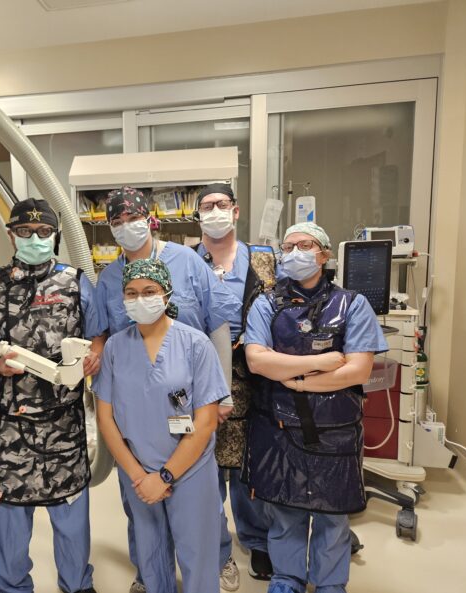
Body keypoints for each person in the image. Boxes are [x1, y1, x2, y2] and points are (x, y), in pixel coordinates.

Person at [94, 186, 241, 592]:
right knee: (143, 515)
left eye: (133, 218)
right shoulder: (109, 280)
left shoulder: (187, 262)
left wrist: (222, 392)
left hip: (193, 398)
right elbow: (103, 338)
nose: (126, 227)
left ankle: (218, 559)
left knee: (201, 514)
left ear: (151, 218)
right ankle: (148, 575)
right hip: (138, 416)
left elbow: (217, 322)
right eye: (117, 221)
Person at [0, 198, 103, 593]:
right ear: (12, 235)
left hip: (64, 426)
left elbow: (98, 334)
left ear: (55, 236)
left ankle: (77, 585)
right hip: (8, 429)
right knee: (9, 525)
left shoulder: (76, 282)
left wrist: (94, 357)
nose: (35, 239)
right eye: (26, 231)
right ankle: (12, 587)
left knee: (72, 521)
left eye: (44, 232)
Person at [243, 222, 388, 593]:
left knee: (332, 513)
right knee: (284, 510)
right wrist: (321, 363)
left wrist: (296, 380)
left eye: (304, 245)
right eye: (287, 246)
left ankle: (330, 583)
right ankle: (287, 578)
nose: (294, 253)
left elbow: (358, 370)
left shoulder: (352, 304)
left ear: (323, 254)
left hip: (334, 427)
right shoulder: (266, 303)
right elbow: (257, 361)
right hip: (278, 425)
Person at [193, 182, 276, 581]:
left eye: (221, 204)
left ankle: (257, 539)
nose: (215, 212)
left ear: (236, 210)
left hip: (254, 376)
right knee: (205, 468)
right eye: (206, 206)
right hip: (203, 376)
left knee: (249, 466)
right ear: (198, 217)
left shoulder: (264, 260)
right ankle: (217, 548)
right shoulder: (188, 261)